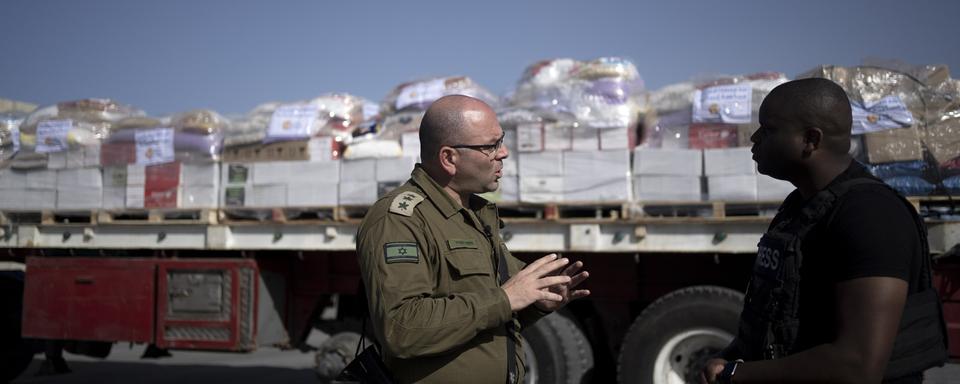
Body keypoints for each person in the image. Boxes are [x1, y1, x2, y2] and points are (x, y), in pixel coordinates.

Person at [701, 78, 949, 384]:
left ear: (810, 140)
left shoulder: (870, 216)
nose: (754, 138)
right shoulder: (801, 207)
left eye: (768, 129)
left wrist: (738, 375)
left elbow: (858, 365)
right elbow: (777, 315)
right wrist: (731, 356)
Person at [356, 95, 590, 384]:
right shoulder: (399, 219)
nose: (503, 153)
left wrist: (537, 302)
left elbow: (494, 317)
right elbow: (403, 329)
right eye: (490, 146)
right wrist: (506, 298)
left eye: (501, 141)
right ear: (449, 158)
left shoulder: (474, 215)